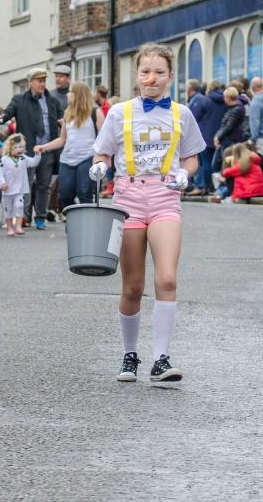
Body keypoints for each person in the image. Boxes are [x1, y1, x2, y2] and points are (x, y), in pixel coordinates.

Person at [90, 43, 204, 383]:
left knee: (167, 278)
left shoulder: (181, 113)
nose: (151, 78)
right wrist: (99, 168)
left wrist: (187, 172)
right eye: (145, 72)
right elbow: (103, 155)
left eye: (159, 72)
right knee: (133, 286)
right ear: (136, 74)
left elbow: (192, 155)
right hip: (128, 197)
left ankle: (162, 359)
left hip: (166, 197)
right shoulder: (119, 112)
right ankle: (129, 355)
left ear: (170, 76)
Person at [0, 68, 63, 230]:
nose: (42, 84)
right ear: (30, 82)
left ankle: (40, 217)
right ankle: (24, 217)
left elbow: (62, 121)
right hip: (25, 151)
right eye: (39, 81)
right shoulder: (19, 100)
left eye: (44, 81)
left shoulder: (53, 101)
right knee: (24, 184)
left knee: (44, 185)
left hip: (47, 150)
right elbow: (7, 114)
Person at [35, 81, 105, 207]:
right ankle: (74, 220)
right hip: (67, 160)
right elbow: (62, 139)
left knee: (85, 193)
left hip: (87, 158)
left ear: (79, 94)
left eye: (71, 91)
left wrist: (102, 159)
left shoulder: (95, 112)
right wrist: (43, 147)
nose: (68, 94)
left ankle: (86, 224)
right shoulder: (68, 114)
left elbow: (104, 138)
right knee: (65, 195)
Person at [0, 133, 40, 236]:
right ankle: (10, 228)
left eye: (22, 147)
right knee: (8, 210)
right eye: (17, 147)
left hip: (19, 190)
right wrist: (3, 183)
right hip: (7, 191)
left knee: (19, 206)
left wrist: (38, 154)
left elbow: (33, 163)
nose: (20, 149)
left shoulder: (23, 158)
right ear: (10, 147)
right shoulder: (4, 160)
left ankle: (18, 226)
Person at [249, 77, 263, 149]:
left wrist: (253, 139)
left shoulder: (256, 101)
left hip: (260, 139)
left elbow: (255, 121)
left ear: (253, 87)